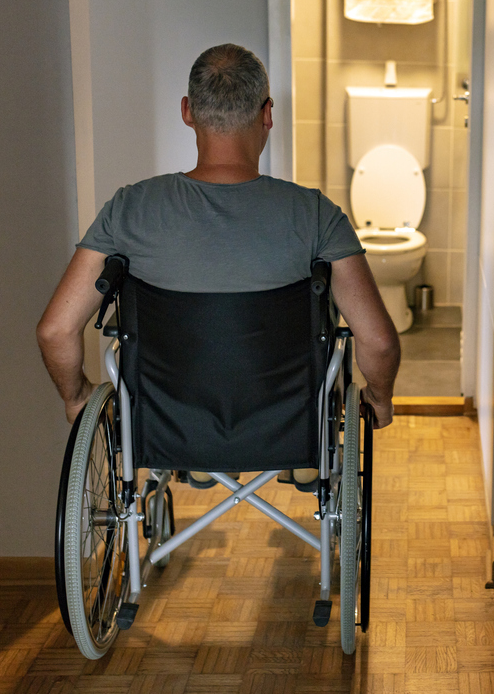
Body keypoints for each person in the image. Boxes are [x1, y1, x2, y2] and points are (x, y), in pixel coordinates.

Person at [36, 43, 399, 486]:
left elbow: (56, 330)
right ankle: (296, 462)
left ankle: (208, 457)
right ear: (267, 114)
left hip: (171, 425)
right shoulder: (316, 215)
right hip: (284, 423)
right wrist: (381, 400)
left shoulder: (130, 209)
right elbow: (377, 342)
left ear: (188, 112)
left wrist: (76, 400)